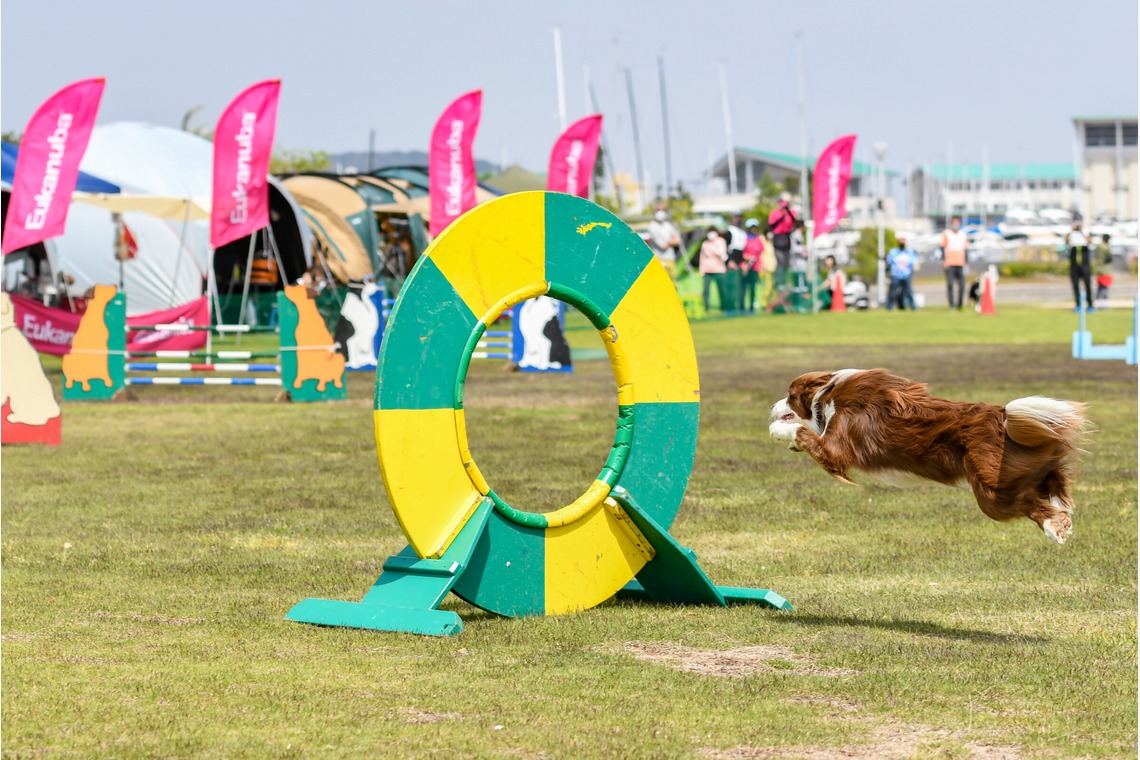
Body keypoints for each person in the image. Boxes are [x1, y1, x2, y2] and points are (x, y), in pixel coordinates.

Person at [766, 192, 798, 291]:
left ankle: (784, 282)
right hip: (778, 238)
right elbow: (772, 225)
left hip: (787, 238)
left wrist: (787, 212)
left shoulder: (791, 213)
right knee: (780, 260)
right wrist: (781, 216)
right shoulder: (775, 213)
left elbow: (794, 222)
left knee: (786, 261)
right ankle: (778, 282)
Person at [645, 208, 682, 280]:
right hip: (659, 259)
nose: (661, 212)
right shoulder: (652, 227)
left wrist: (669, 242)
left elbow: (677, 241)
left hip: (670, 258)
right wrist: (671, 241)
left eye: (662, 210)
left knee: (673, 282)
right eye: (658, 210)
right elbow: (662, 246)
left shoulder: (668, 225)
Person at [698, 225, 728, 313]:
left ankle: (724, 308)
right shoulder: (705, 243)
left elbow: (721, 254)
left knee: (722, 290)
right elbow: (702, 257)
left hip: (719, 270)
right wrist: (701, 269)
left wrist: (713, 248)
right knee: (706, 291)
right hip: (707, 270)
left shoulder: (721, 241)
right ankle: (706, 308)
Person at [940, 216, 968, 309]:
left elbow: (966, 249)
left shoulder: (963, 234)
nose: (955, 225)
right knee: (950, 284)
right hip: (950, 263)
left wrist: (966, 262)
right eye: (954, 223)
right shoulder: (946, 234)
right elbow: (942, 248)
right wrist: (944, 261)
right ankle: (952, 304)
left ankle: (960, 303)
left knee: (962, 284)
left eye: (957, 223)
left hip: (960, 263)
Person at [1066, 220, 1093, 312]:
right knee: (1075, 285)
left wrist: (1082, 231)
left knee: (1088, 285)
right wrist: (1071, 230)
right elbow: (1066, 241)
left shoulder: (1085, 233)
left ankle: (1090, 305)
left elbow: (1090, 241)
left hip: (1085, 264)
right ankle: (1078, 305)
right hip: (1074, 265)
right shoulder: (1071, 235)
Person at [740, 219, 766, 313]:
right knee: (743, 288)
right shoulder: (744, 238)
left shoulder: (758, 239)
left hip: (755, 268)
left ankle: (751, 308)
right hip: (745, 268)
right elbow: (741, 253)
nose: (753, 229)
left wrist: (762, 266)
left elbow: (761, 253)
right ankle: (742, 308)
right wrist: (747, 258)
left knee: (752, 289)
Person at [885, 236, 918, 310]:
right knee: (893, 292)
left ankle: (913, 307)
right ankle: (889, 307)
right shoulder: (893, 252)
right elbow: (889, 261)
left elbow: (914, 261)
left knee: (909, 292)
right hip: (896, 275)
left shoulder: (909, 252)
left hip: (906, 275)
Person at [1094, 233, 1113, 308]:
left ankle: (1098, 303)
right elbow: (1110, 257)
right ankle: (1104, 304)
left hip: (1098, 269)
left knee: (1099, 288)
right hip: (1105, 270)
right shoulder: (1105, 247)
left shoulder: (1098, 247)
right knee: (1104, 288)